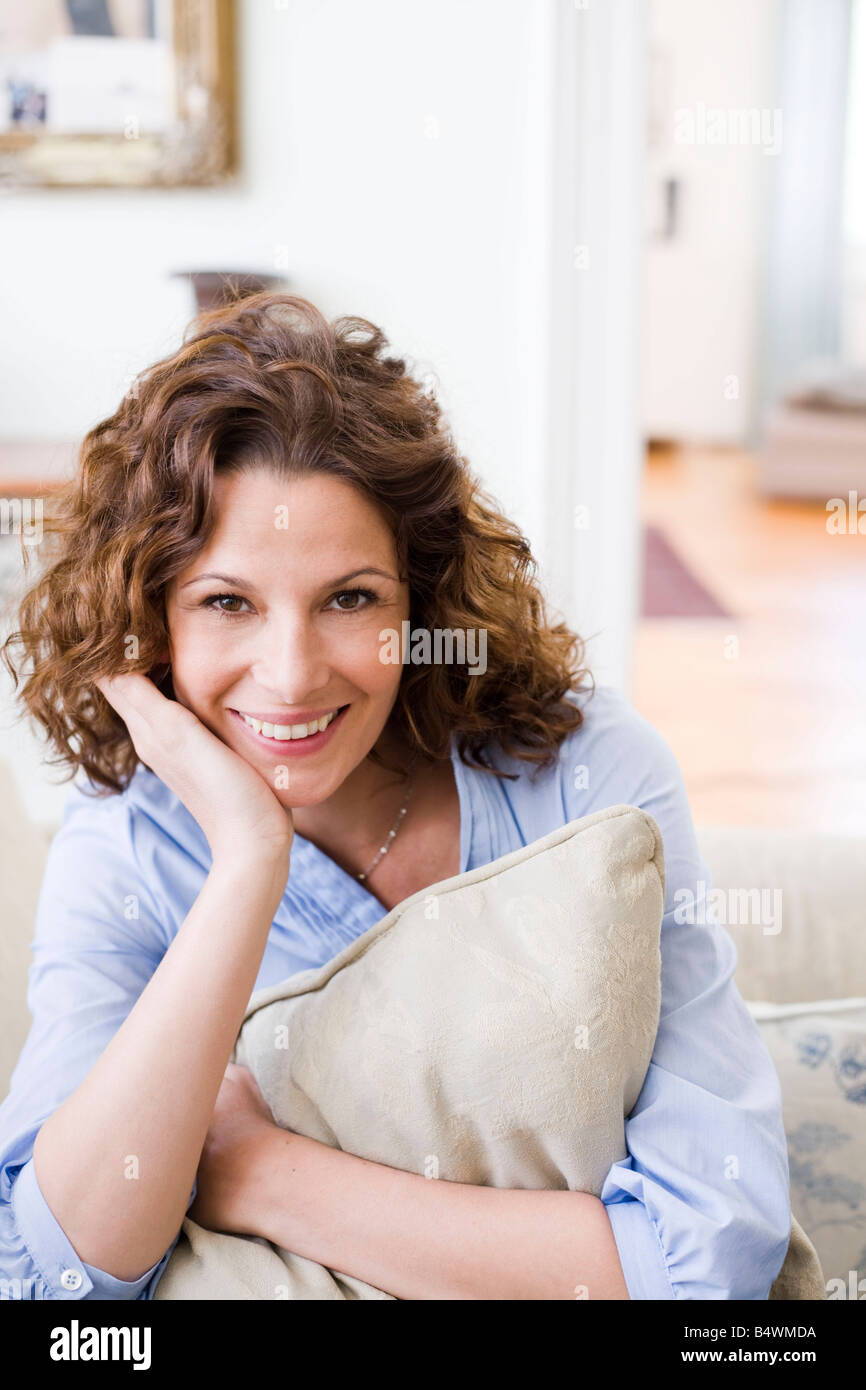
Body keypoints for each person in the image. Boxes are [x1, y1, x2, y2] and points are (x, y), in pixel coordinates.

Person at [0, 293, 792, 1300]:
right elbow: (54, 1279)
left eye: (349, 598)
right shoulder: (129, 842)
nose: (290, 676)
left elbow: (712, 1258)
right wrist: (249, 861)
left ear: (423, 597)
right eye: (225, 602)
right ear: (147, 621)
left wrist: (264, 1172)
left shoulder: (589, 776)